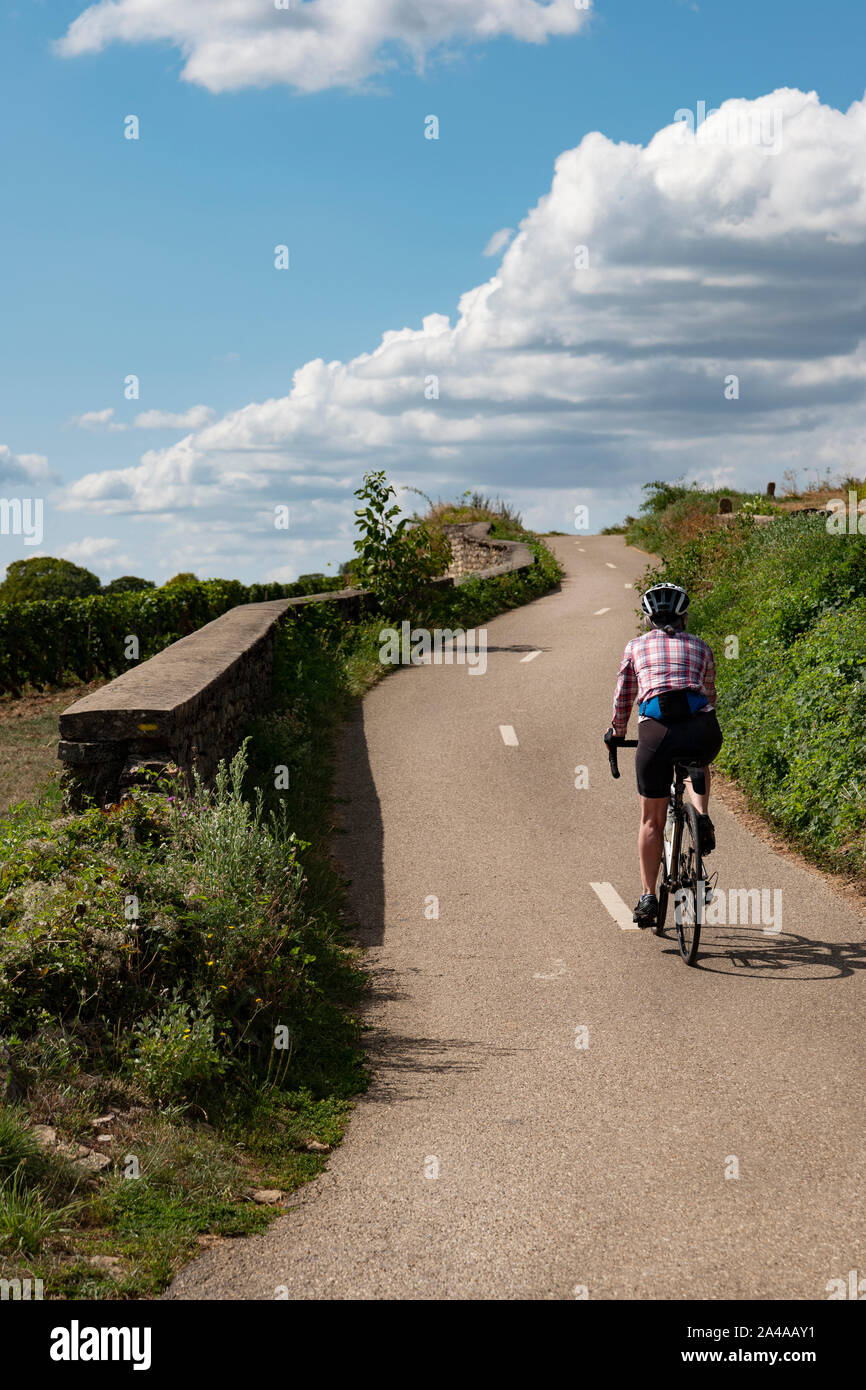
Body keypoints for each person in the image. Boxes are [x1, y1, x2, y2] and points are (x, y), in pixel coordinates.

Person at [606, 583, 723, 927]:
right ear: (684, 616)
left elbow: (624, 695)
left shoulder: (636, 647)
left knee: (651, 820)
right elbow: (710, 693)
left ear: (648, 618)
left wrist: (617, 731)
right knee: (696, 763)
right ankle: (700, 814)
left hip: (656, 734)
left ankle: (648, 896)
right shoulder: (701, 646)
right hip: (702, 730)